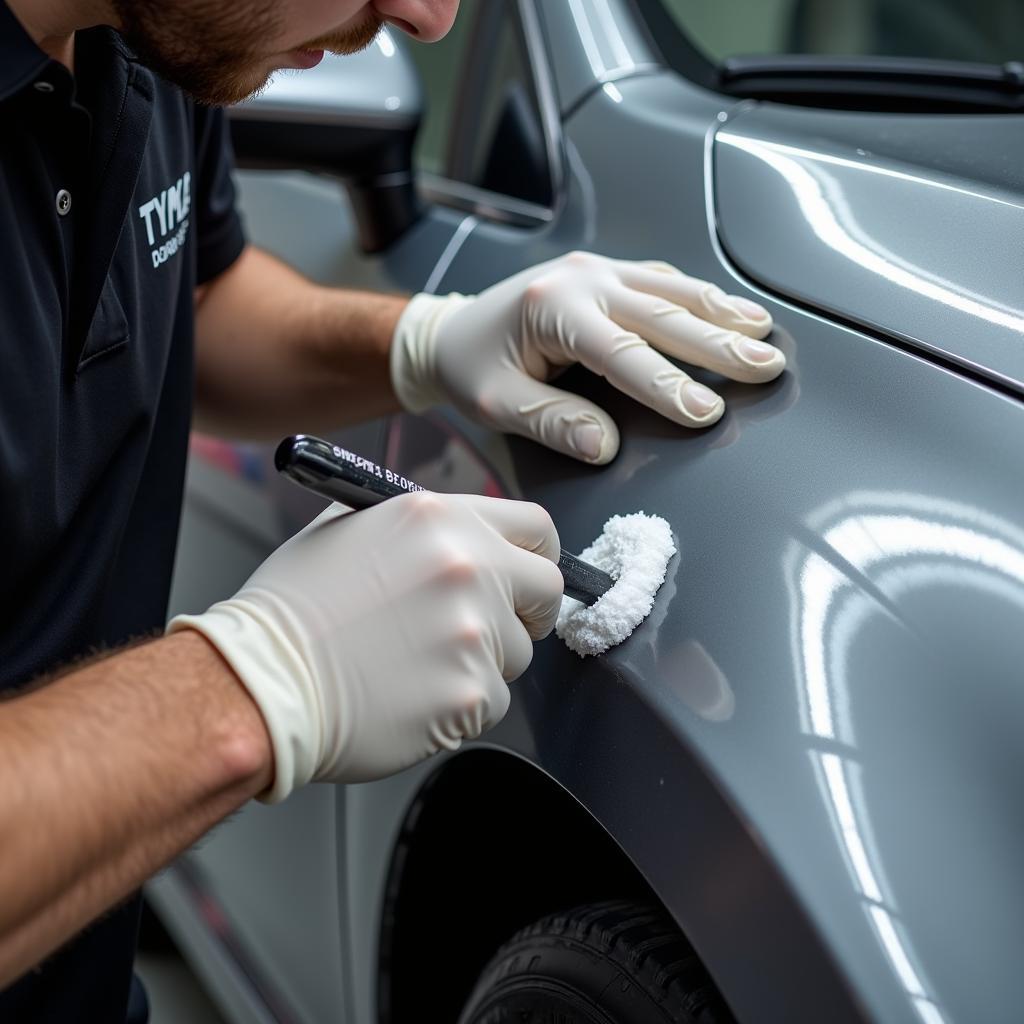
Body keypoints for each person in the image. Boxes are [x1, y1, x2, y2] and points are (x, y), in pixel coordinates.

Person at [0, 0, 787, 1019]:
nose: (427, 16)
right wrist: (254, 685)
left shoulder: (136, 44)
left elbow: (192, 296)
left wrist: (426, 340)